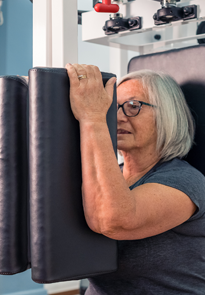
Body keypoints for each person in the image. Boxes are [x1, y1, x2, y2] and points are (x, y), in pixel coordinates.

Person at [65, 64, 205, 295]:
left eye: (132, 106)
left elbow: (115, 221)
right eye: (112, 108)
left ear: (167, 115)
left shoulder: (187, 182)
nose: (117, 117)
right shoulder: (111, 177)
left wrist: (92, 117)